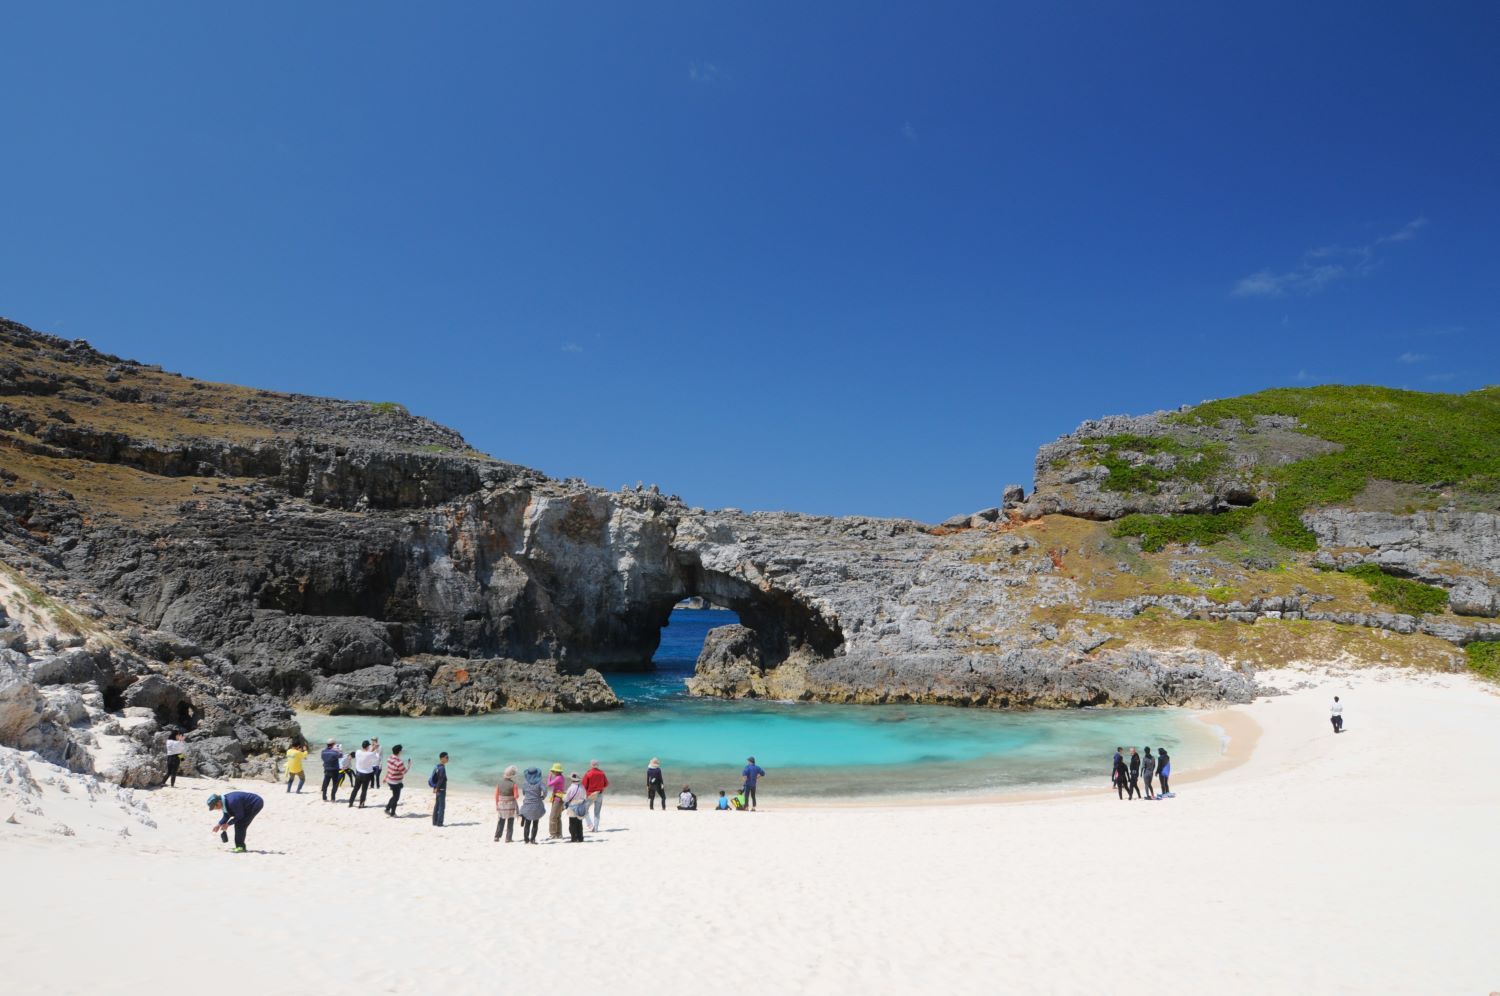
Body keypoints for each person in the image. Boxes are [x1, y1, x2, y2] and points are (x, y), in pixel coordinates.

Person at [518, 767, 547, 844]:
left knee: (527, 823)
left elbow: (524, 792)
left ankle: (526, 839)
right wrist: (543, 796)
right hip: (537, 804)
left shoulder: (525, 783)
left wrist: (528, 795)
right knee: (535, 823)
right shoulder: (540, 782)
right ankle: (533, 839)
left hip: (527, 804)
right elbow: (545, 790)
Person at [347, 740, 378, 809]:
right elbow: (376, 758)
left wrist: (373, 748)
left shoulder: (358, 752)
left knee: (355, 789)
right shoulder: (370, 754)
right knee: (364, 790)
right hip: (366, 775)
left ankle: (350, 803)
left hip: (358, 773)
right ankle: (361, 805)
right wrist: (375, 748)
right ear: (368, 746)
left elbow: (367, 753)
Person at [494, 765, 520, 843]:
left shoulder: (499, 783)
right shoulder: (514, 784)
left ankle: (497, 836)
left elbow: (496, 795)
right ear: (512, 775)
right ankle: (508, 838)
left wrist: (497, 804)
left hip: (501, 804)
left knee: (501, 820)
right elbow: (516, 796)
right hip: (510, 805)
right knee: (510, 821)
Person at [582, 759, 609, 832]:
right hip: (599, 794)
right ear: (598, 765)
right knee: (597, 812)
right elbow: (606, 784)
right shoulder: (602, 773)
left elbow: (584, 785)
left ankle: (590, 824)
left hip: (590, 794)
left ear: (591, 765)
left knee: (584, 809)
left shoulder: (588, 773)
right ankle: (596, 828)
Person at [383, 745, 409, 817]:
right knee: (396, 798)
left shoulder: (389, 758)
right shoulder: (399, 762)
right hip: (396, 782)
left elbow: (389, 769)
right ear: (399, 751)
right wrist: (409, 766)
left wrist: (385, 778)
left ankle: (387, 808)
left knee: (394, 796)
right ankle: (393, 813)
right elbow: (404, 772)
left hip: (390, 780)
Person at [563, 772, 589, 842]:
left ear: (572, 780)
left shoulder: (571, 788)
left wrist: (563, 797)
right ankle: (580, 838)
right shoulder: (582, 787)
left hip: (572, 806)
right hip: (580, 806)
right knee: (579, 823)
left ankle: (573, 838)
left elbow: (566, 799)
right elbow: (585, 797)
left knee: (572, 823)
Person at [546, 763, 566, 840]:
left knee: (553, 817)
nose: (553, 772)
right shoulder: (561, 777)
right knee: (558, 817)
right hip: (559, 798)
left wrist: (549, 777)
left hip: (557, 799)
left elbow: (549, 784)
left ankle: (553, 834)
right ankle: (559, 834)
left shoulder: (558, 778)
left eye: (554, 771)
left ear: (557, 771)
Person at [429, 752, 449, 826]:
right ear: (442, 758)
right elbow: (440, 779)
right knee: (441, 806)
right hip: (441, 789)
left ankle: (434, 822)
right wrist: (437, 788)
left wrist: (435, 788)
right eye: (446, 757)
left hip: (437, 789)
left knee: (437, 805)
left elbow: (437, 779)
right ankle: (440, 823)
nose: (448, 759)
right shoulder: (442, 768)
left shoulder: (438, 767)